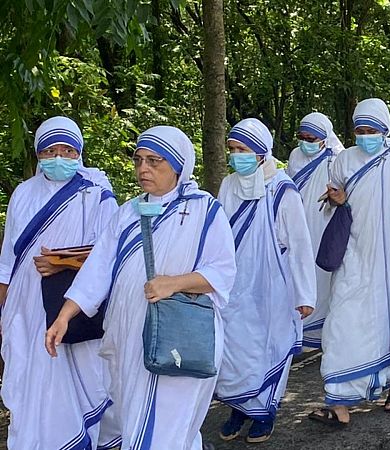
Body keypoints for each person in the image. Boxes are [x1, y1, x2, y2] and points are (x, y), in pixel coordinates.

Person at [45, 125, 237, 449]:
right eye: (139, 160)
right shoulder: (126, 214)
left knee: (160, 432)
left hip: (181, 340)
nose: (143, 169)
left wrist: (173, 284)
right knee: (152, 427)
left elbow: (222, 272)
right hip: (130, 341)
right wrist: (64, 316)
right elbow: (97, 271)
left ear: (177, 167)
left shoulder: (205, 210)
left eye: (154, 161)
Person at [308, 98, 390, 426]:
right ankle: (339, 398)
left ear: (385, 130)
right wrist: (337, 200)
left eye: (371, 130)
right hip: (353, 255)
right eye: (359, 130)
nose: (364, 136)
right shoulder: (343, 161)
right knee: (342, 323)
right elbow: (333, 204)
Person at [0, 116, 118, 449]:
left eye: (67, 150)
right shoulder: (23, 194)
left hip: (73, 305)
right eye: (50, 150)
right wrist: (2, 310)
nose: (59, 158)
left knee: (75, 379)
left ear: (79, 152)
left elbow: (111, 252)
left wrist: (62, 262)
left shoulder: (96, 193)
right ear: (39, 153)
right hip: (25, 309)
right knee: (29, 380)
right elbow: (7, 260)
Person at [214, 118, 317, 442]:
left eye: (242, 149)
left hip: (272, 285)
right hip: (234, 284)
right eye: (232, 149)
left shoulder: (283, 189)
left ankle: (264, 412)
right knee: (234, 348)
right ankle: (238, 407)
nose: (235, 156)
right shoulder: (229, 185)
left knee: (267, 348)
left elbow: (300, 246)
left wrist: (305, 295)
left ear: (260, 153)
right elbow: (218, 234)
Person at [286, 112, 345, 349]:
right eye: (302, 136)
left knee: (321, 278)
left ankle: (321, 335)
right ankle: (298, 333)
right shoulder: (294, 155)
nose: (306, 142)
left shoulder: (337, 159)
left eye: (312, 138)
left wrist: (333, 198)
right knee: (297, 273)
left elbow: (345, 194)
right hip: (297, 224)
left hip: (323, 226)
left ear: (324, 138)